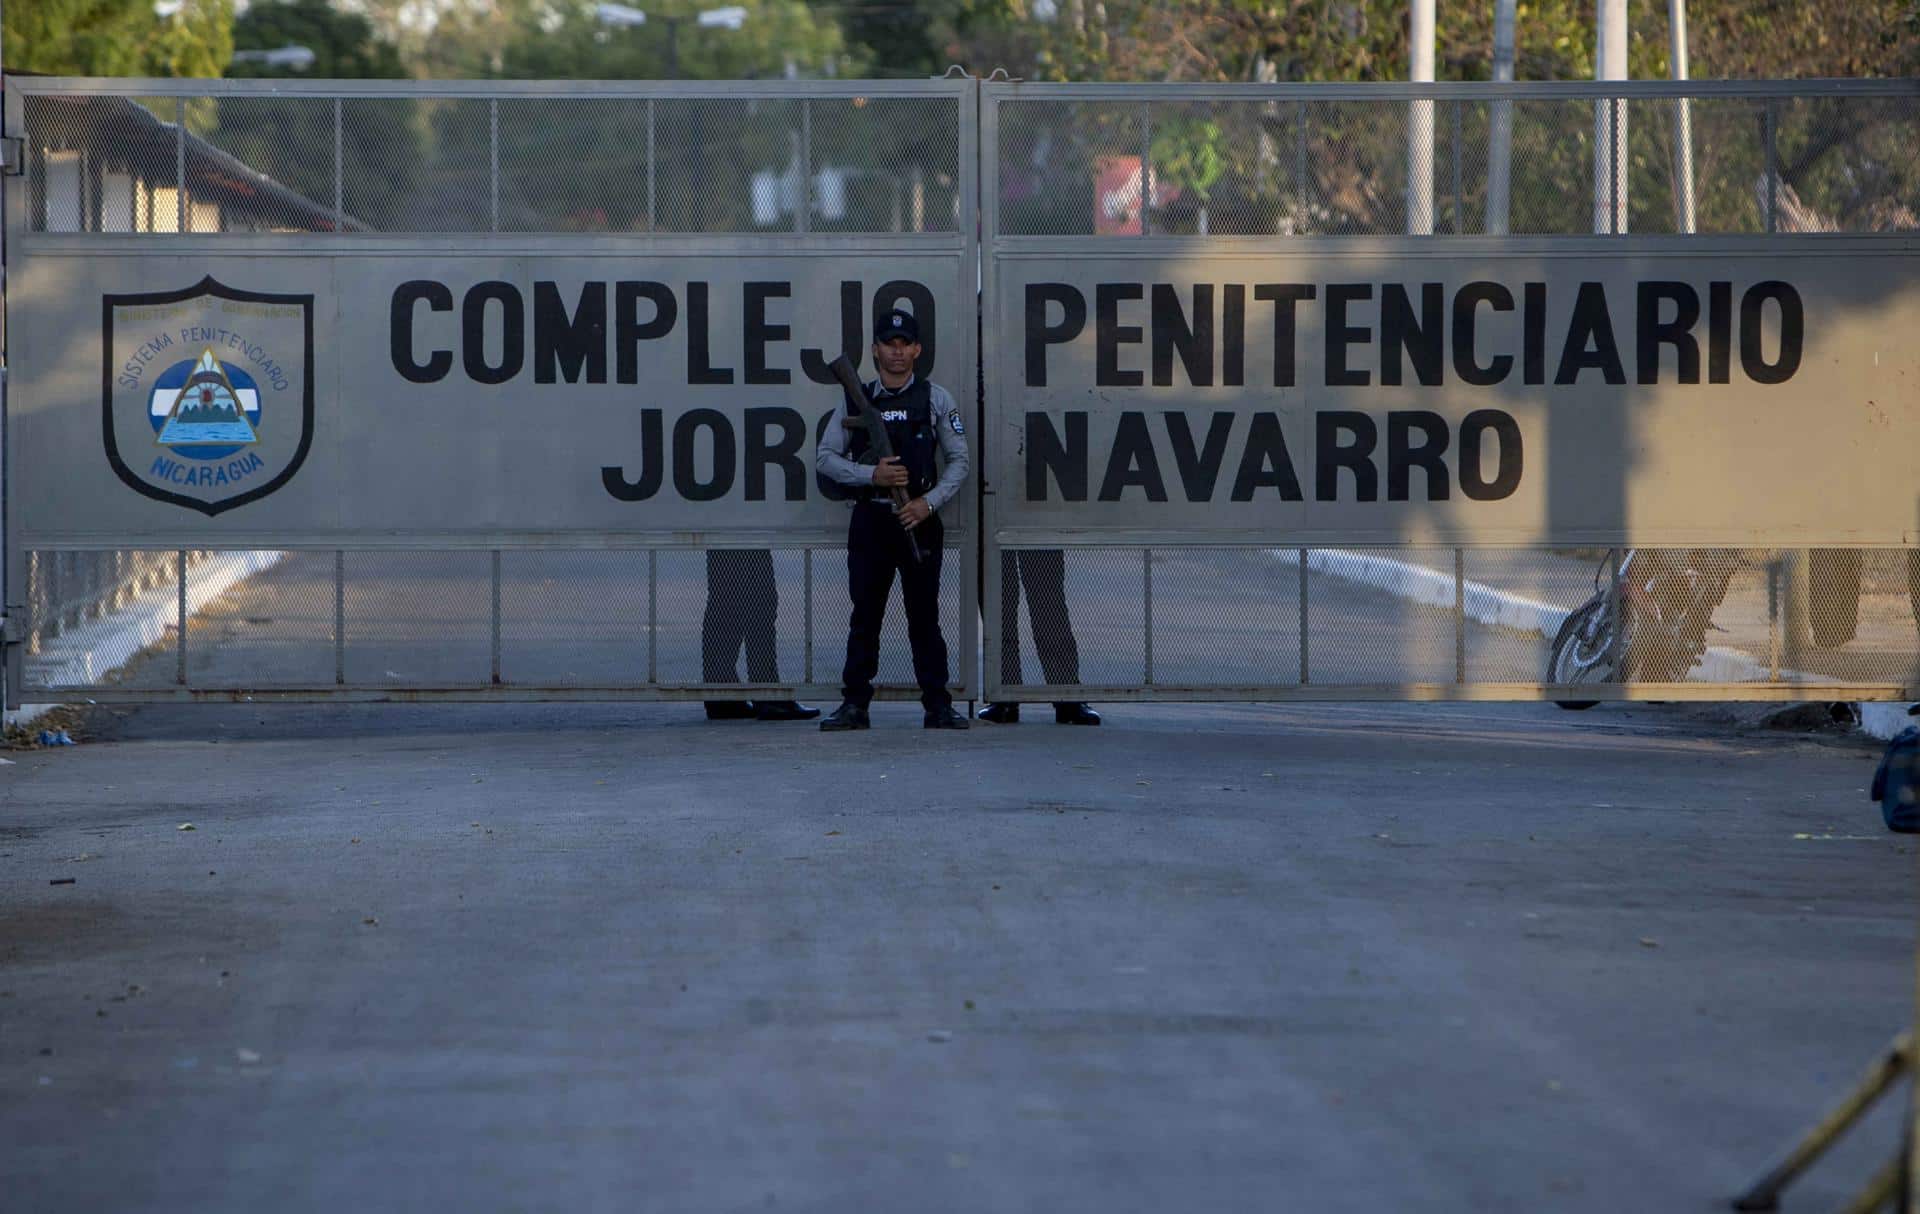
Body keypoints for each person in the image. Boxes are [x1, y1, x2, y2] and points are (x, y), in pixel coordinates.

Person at [814, 309, 971, 730]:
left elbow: (960, 461)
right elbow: (825, 458)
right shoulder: (856, 397)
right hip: (872, 520)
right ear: (875, 350)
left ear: (917, 349)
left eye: (905, 344)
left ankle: (937, 704)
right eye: (889, 343)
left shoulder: (936, 398)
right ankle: (855, 705)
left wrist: (928, 504)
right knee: (865, 615)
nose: (897, 352)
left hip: (918, 520)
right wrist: (872, 475)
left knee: (924, 616)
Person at [977, 550, 1101, 725]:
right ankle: (1004, 692)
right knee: (997, 598)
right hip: (991, 525)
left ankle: (1065, 691)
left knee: (1047, 598)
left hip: (1031, 525)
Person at [700, 548, 817, 722]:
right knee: (758, 597)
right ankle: (765, 692)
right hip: (744, 530)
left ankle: (721, 693)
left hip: (722, 527)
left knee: (726, 596)